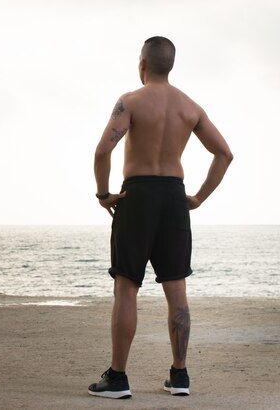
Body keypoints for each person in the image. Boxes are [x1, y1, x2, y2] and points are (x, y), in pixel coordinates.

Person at [88, 36, 233, 399]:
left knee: (126, 286)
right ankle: (180, 376)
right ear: (170, 66)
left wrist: (104, 194)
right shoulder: (190, 107)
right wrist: (198, 197)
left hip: (136, 196)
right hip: (173, 197)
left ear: (142, 65)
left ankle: (118, 379)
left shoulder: (131, 101)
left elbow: (103, 150)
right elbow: (224, 154)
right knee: (176, 287)